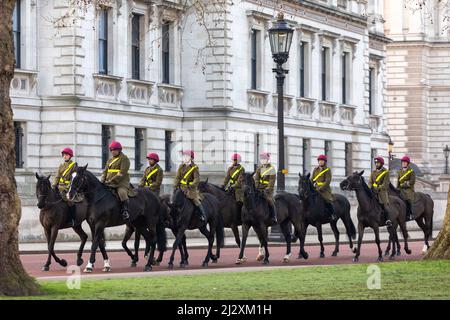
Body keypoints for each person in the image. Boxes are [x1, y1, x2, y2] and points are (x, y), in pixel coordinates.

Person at [101, 141, 132, 221]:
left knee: (122, 193)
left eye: (114, 150)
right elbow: (105, 171)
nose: (112, 151)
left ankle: (125, 211)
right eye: (111, 150)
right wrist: (102, 180)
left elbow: (122, 172)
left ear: (119, 150)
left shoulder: (124, 158)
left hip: (120, 182)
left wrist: (112, 180)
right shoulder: (110, 160)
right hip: (108, 182)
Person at [173, 150, 206, 222]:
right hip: (181, 188)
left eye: (187, 156)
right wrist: (175, 185)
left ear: (191, 158)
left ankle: (202, 215)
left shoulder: (194, 167)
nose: (185, 158)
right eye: (184, 156)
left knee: (196, 200)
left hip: (190, 189)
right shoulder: (181, 166)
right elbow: (177, 177)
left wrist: (191, 185)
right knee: (173, 199)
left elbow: (197, 179)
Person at [53, 147, 77, 226]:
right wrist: (53, 185)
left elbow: (74, 179)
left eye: (66, 155)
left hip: (68, 187)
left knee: (69, 201)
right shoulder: (61, 165)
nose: (64, 156)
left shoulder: (74, 165)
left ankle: (72, 219)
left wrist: (68, 187)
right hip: (60, 187)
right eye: (63, 155)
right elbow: (57, 176)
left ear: (70, 156)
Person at [254, 152, 277, 224]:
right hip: (259, 188)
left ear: (267, 160)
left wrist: (267, 189)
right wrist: (256, 187)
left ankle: (274, 216)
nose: (262, 160)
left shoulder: (272, 169)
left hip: (267, 190)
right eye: (261, 159)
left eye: (264, 159)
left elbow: (271, 181)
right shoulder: (259, 169)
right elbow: (257, 179)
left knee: (270, 201)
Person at [311, 154, 336, 221]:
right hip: (316, 188)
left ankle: (332, 214)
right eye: (319, 161)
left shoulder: (327, 170)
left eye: (322, 161)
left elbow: (328, 181)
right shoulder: (315, 169)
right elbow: (312, 179)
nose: (320, 162)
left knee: (328, 200)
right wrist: (309, 186)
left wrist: (321, 188)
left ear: (325, 162)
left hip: (325, 189)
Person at [369, 156, 392, 226]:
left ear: (381, 164)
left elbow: (385, 184)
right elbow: (370, 182)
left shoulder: (386, 172)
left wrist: (378, 187)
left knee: (385, 207)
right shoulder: (373, 172)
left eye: (378, 163)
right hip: (373, 192)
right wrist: (369, 188)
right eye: (375, 163)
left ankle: (388, 220)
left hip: (382, 193)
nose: (376, 164)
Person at [397, 155, 415, 221]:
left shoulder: (411, 171)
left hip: (408, 189)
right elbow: (398, 182)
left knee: (407, 199)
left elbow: (412, 182)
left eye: (405, 162)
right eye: (403, 162)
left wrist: (404, 184)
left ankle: (409, 214)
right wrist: (397, 189)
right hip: (401, 189)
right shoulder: (399, 171)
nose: (403, 163)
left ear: (408, 163)